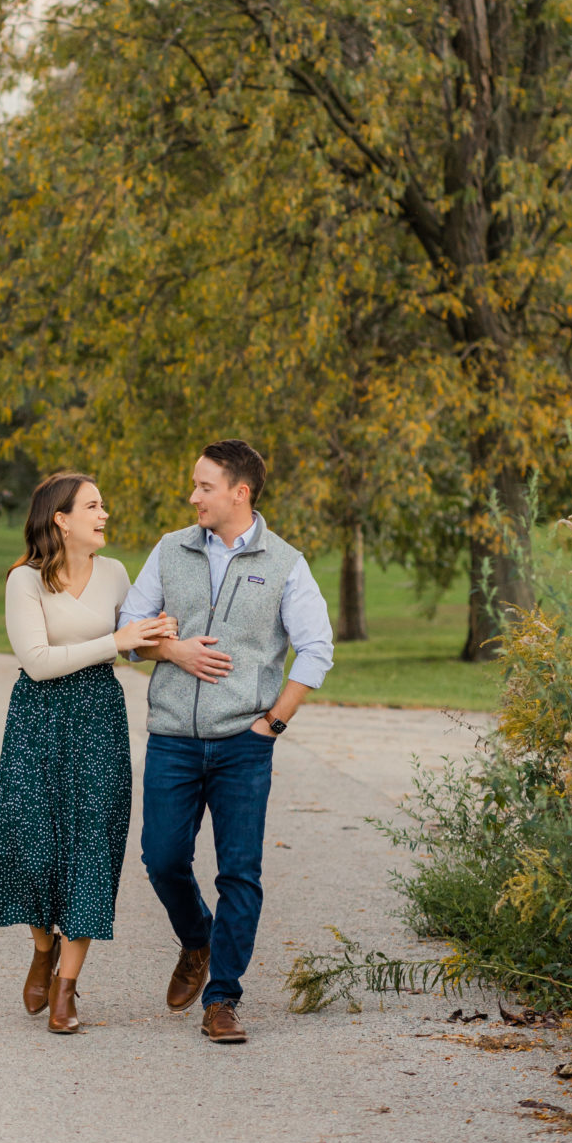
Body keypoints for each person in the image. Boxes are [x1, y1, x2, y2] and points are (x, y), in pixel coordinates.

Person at [117, 438, 334, 1044]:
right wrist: (172, 650)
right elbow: (129, 634)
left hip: (244, 743)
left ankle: (224, 998)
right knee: (161, 859)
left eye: (204, 486)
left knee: (240, 872)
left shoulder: (287, 563)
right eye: (194, 485)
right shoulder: (169, 549)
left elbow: (317, 649)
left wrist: (272, 725)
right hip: (173, 740)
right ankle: (197, 940)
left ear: (240, 492)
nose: (193, 496)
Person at [0, 471, 173, 1034]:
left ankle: (67, 987)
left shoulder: (115, 573)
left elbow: (136, 645)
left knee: (93, 846)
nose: (104, 514)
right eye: (93, 506)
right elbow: (37, 661)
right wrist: (115, 642)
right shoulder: (25, 581)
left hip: (99, 718)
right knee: (31, 844)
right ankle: (43, 947)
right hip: (38, 719)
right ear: (60, 519)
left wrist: (162, 637)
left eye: (103, 505)